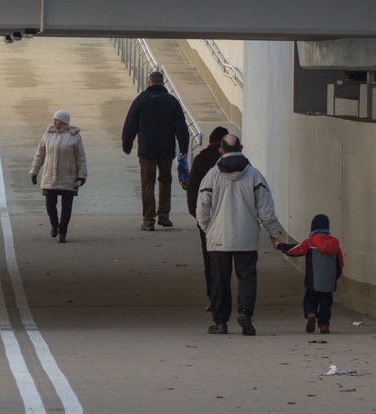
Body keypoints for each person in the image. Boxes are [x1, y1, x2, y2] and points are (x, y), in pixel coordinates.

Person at [195, 134, 286, 336]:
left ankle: (220, 322)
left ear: (221, 150)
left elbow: (202, 209)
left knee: (220, 280)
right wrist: (274, 234)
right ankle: (245, 313)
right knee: (247, 277)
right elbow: (266, 210)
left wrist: (208, 229)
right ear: (241, 148)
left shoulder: (211, 176)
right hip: (246, 238)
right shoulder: (254, 176)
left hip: (219, 238)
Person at [122, 70, 189, 231]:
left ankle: (149, 219)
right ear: (163, 83)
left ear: (149, 82)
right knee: (165, 181)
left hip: (147, 150)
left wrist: (127, 145)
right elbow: (181, 125)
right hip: (166, 149)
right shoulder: (171, 101)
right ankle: (164, 216)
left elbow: (130, 124)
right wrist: (183, 147)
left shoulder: (141, 100)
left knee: (147, 183)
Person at [276, 214, 344, 334]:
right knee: (326, 305)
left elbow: (296, 250)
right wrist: (335, 277)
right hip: (328, 284)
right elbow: (340, 263)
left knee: (309, 300)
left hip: (313, 282)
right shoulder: (334, 243)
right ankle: (324, 326)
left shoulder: (310, 242)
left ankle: (311, 314)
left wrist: (282, 247)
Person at [185, 126, 231, 301]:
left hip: (207, 218)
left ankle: (213, 296)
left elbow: (193, 190)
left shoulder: (201, 159)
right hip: (229, 219)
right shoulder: (237, 162)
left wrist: (197, 215)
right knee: (227, 261)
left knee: (209, 260)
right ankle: (224, 294)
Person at [30, 109, 86, 243]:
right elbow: (40, 154)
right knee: (50, 205)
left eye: (57, 119)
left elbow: (81, 158)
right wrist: (34, 171)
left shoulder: (75, 137)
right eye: (54, 119)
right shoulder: (48, 134)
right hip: (50, 175)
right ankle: (54, 224)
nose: (54, 122)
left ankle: (63, 231)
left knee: (66, 207)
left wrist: (82, 176)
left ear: (64, 121)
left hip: (68, 176)